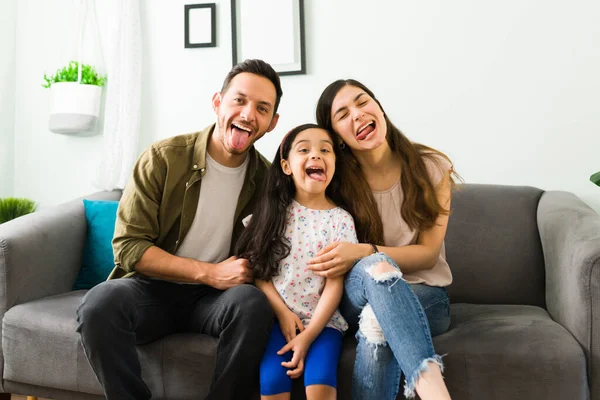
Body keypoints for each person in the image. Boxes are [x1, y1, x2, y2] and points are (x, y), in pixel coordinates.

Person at [76, 59, 282, 400]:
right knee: (98, 305)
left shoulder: (268, 182)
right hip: (151, 290)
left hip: (215, 302)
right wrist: (208, 273)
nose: (248, 114)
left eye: (262, 108)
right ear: (218, 102)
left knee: (251, 303)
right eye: (239, 100)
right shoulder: (163, 158)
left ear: (272, 123)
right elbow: (128, 247)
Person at [310, 79, 459, 400]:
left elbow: (428, 256)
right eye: (343, 114)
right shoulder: (335, 183)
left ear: (378, 107)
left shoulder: (432, 168)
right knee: (375, 271)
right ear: (337, 136)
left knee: (377, 321)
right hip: (357, 294)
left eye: (363, 102)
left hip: (426, 293)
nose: (358, 114)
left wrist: (367, 251)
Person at [235, 123, 358, 400]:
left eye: (325, 150)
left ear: (334, 164)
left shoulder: (341, 220)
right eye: (304, 149)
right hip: (277, 320)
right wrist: (282, 314)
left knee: (320, 383)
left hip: (323, 324)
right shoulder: (271, 214)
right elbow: (260, 274)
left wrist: (310, 333)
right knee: (272, 381)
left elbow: (334, 284)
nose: (316, 155)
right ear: (286, 166)